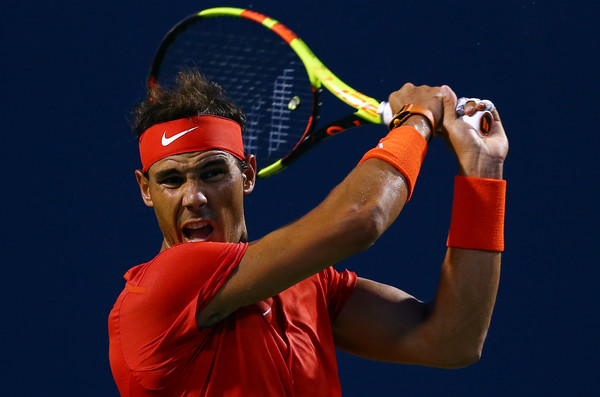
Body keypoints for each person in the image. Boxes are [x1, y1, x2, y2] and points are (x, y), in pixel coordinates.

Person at [108, 70, 508, 396]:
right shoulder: (160, 291)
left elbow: (452, 339)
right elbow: (361, 218)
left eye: (212, 173)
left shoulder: (307, 286)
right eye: (172, 180)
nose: (193, 197)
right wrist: (415, 120)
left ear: (247, 175)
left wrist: (483, 171)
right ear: (146, 190)